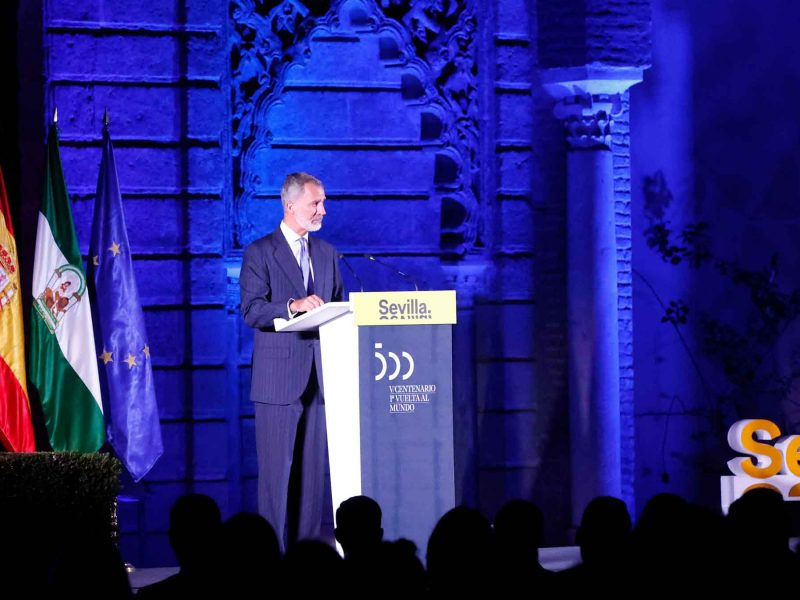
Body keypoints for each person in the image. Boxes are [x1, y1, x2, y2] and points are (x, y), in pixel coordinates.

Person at [240, 172, 344, 550]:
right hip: (277, 381)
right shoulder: (259, 252)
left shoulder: (328, 253)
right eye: (315, 203)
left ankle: (307, 561)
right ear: (290, 206)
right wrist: (292, 306)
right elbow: (251, 311)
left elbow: (337, 308)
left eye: (323, 202)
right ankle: (269, 562)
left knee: (312, 481)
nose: (323, 210)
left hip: (320, 380)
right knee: (276, 481)